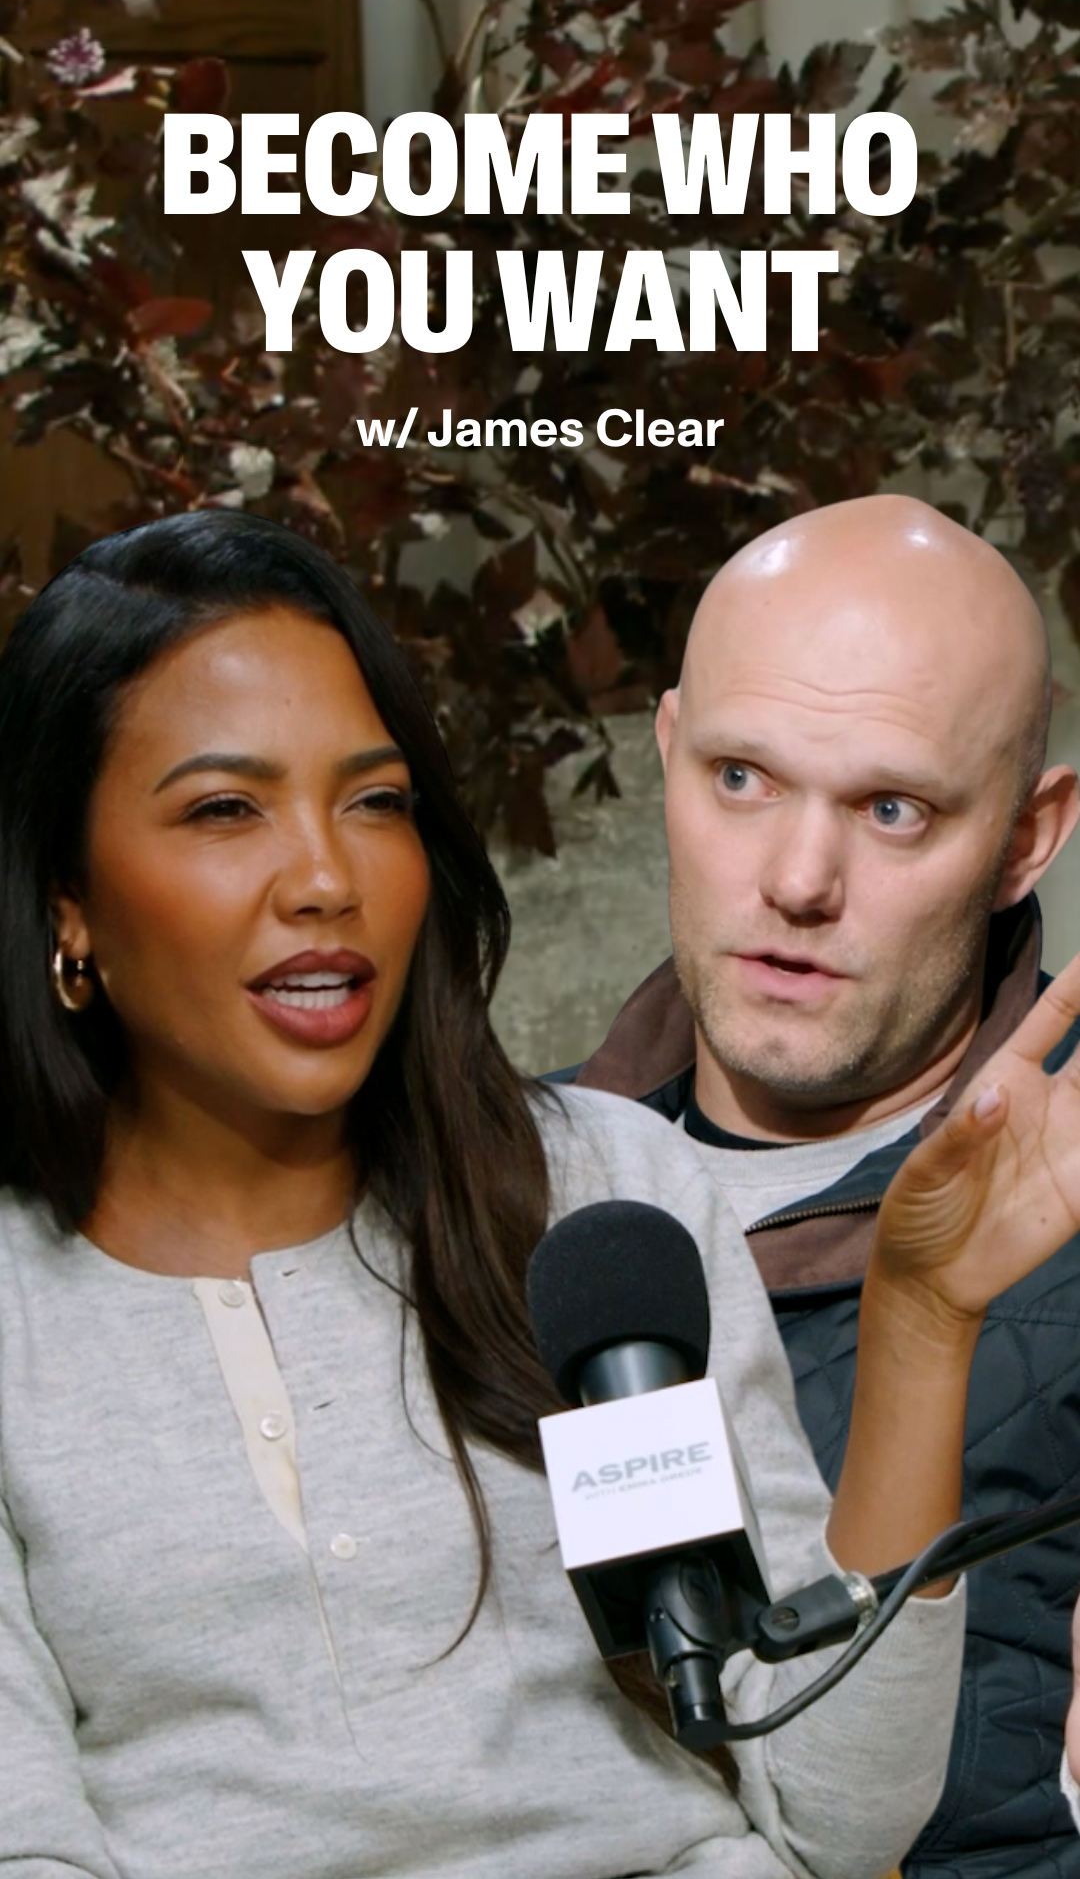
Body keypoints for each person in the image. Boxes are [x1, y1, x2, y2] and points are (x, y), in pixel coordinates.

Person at [1, 507, 1077, 1879]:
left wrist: (923, 1315)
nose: (326, 877)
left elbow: (841, 1810)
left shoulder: (604, 1196)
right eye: (226, 809)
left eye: (374, 801)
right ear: (65, 899)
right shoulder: (18, 1315)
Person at [565, 492, 1080, 1877]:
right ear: (668, 754)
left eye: (893, 808)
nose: (798, 879)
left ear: (1029, 837)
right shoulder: (502, 1194)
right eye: (741, 777)